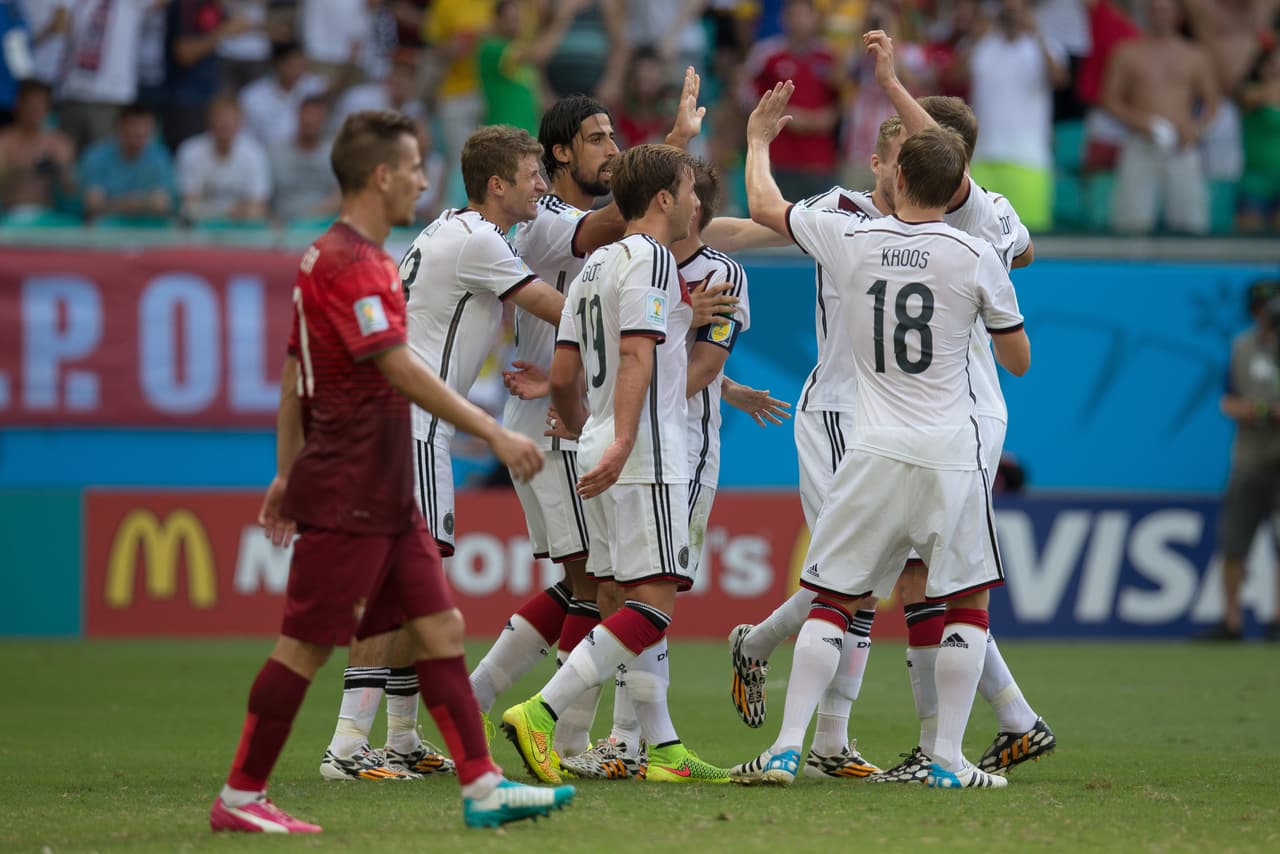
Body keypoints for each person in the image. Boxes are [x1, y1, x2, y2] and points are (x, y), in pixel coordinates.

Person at [209, 109, 575, 833]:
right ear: (381, 175)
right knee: (311, 641)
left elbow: (292, 373)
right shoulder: (361, 262)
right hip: (375, 462)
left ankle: (475, 783)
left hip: (387, 458)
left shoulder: (339, 256)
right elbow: (396, 366)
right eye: (411, 166)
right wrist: (493, 432)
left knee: (438, 623)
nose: (420, 177)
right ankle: (269, 784)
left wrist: (285, 471)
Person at [730, 80, 1030, 791]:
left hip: (872, 445)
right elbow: (1017, 360)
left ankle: (786, 748)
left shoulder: (852, 238)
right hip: (950, 449)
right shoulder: (975, 253)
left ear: (897, 174)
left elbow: (766, 210)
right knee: (964, 602)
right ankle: (948, 760)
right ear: (960, 183)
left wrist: (756, 143)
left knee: (835, 596)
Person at [316, 123, 570, 777]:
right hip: (410, 425)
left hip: (403, 425)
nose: (541, 185)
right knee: (400, 587)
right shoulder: (480, 241)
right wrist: (646, 312)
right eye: (532, 174)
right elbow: (556, 308)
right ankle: (347, 746)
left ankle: (399, 737)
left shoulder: (454, 231)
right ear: (497, 185)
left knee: (414, 581)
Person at [502, 142, 734, 786]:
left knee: (615, 596)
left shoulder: (596, 262)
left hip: (593, 445)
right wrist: (627, 439)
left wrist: (586, 433)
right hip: (646, 451)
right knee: (653, 603)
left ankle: (660, 749)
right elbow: (637, 355)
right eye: (689, 190)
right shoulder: (656, 259)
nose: (696, 202)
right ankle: (540, 712)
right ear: (663, 199)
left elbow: (566, 371)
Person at [1198, 280, 1280, 642]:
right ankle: (1231, 620)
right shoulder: (1242, 347)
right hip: (1249, 457)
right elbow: (1227, 400)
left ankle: (1276, 619)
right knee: (1234, 542)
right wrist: (1259, 410)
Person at [1100, 0, 1218, 234]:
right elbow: (1109, 99)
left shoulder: (1195, 55)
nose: (1160, 15)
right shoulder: (1127, 52)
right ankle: (1131, 266)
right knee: (1131, 220)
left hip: (1182, 145)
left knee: (1190, 220)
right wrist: (1141, 121)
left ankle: (1188, 268)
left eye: (1166, 10)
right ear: (1146, 14)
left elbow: (1212, 102)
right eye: (1155, 10)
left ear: (1178, 15)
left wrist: (1195, 129)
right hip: (1141, 141)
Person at [175, 94, 271, 224]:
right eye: (220, 118)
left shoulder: (254, 154)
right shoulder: (190, 151)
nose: (225, 123)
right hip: (199, 230)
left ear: (240, 123)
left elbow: (257, 208)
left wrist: (208, 211)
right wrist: (231, 212)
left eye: (230, 118)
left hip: (242, 230)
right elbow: (188, 207)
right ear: (209, 121)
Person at [77, 102, 175, 223]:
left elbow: (162, 204)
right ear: (120, 127)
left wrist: (115, 204)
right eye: (134, 125)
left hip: (148, 225)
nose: (139, 130)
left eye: (145, 126)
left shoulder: (160, 156)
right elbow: (93, 204)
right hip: (107, 225)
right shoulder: (96, 155)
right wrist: (142, 203)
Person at [0, 79, 76, 221]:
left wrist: (60, 169)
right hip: (9, 215)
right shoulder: (4, 141)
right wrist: (23, 166)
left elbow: (71, 192)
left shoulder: (59, 142)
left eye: (40, 104)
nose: (34, 109)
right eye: (30, 104)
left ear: (47, 108)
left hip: (48, 217)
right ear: (19, 105)